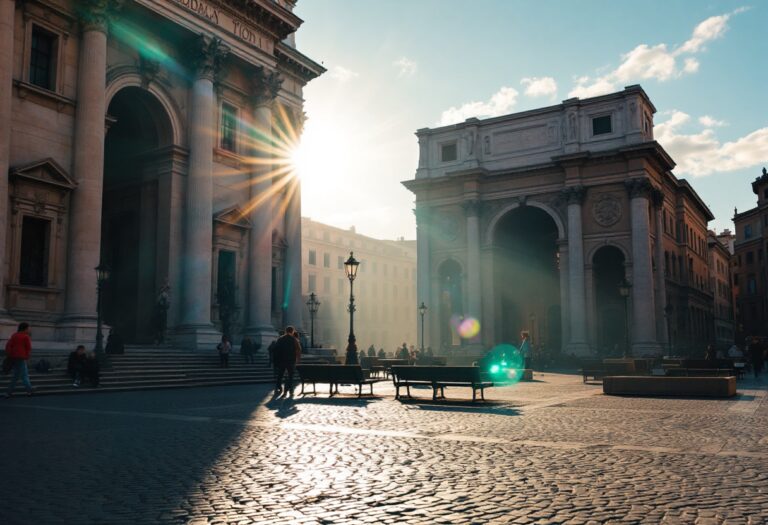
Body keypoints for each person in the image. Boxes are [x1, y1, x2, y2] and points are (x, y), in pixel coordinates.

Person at [4, 322, 33, 398]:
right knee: (24, 375)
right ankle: (29, 390)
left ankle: (9, 392)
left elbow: (9, 345)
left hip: (13, 357)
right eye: (28, 328)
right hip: (21, 357)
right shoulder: (25, 337)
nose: (29, 329)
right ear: (25, 328)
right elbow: (28, 348)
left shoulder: (14, 335)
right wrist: (27, 357)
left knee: (15, 376)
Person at [272, 326, 301, 398]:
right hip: (291, 360)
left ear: (285, 331)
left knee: (280, 374)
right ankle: (290, 389)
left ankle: (279, 386)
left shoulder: (280, 339)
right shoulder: (294, 339)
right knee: (291, 376)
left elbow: (276, 349)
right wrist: (297, 359)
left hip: (282, 360)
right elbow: (298, 349)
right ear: (293, 331)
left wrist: (276, 360)